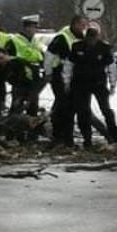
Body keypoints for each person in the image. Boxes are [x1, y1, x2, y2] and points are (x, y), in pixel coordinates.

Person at [69, 27, 117, 148]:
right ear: (86, 37)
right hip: (80, 83)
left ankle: (114, 136)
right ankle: (87, 138)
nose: (91, 41)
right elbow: (69, 64)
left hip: (99, 83)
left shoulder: (104, 47)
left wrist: (113, 84)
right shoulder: (77, 46)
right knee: (83, 112)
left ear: (97, 37)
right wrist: (67, 82)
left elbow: (111, 67)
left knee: (106, 110)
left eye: (94, 38)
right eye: (89, 38)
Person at [45, 15, 88, 145]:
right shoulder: (62, 37)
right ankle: (61, 136)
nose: (84, 27)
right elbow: (49, 56)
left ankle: (63, 136)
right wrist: (49, 73)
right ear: (75, 24)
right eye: (82, 25)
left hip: (73, 76)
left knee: (65, 106)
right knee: (64, 106)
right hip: (59, 75)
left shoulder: (80, 36)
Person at [5, 15, 45, 115]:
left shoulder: (36, 40)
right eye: (34, 27)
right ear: (27, 27)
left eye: (36, 27)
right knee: (18, 104)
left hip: (34, 77)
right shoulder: (14, 40)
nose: (35, 30)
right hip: (20, 77)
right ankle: (13, 127)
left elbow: (41, 56)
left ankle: (32, 127)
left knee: (33, 104)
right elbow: (7, 59)